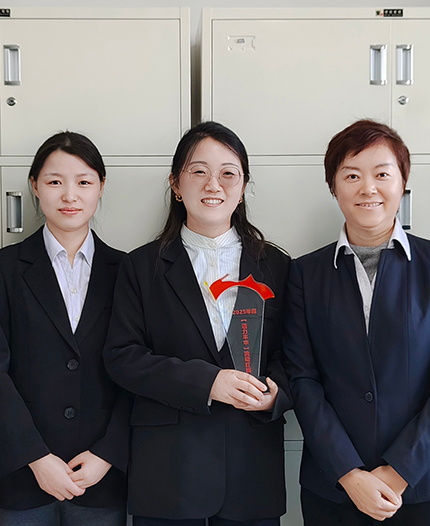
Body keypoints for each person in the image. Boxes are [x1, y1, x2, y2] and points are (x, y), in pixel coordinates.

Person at [282, 119, 430, 526]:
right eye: (352, 175)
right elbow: (302, 379)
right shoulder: (305, 273)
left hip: (426, 486)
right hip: (334, 490)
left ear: (403, 182)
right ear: (333, 186)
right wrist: (348, 473)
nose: (367, 188)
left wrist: (398, 470)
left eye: (382, 174)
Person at [103, 121, 291, 526]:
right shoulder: (141, 266)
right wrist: (208, 383)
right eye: (199, 171)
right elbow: (122, 357)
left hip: (250, 472)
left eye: (228, 174)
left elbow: (294, 356)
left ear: (243, 187)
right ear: (176, 184)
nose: (213, 185)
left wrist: (277, 394)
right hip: (169, 473)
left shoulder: (277, 266)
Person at [0, 132, 128, 525]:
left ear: (101, 186)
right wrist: (36, 457)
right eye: (55, 181)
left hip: (101, 479)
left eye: (84, 182)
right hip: (19, 478)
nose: (69, 195)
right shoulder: (3, 268)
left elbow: (138, 370)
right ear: (35, 187)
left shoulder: (127, 271)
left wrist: (108, 454)